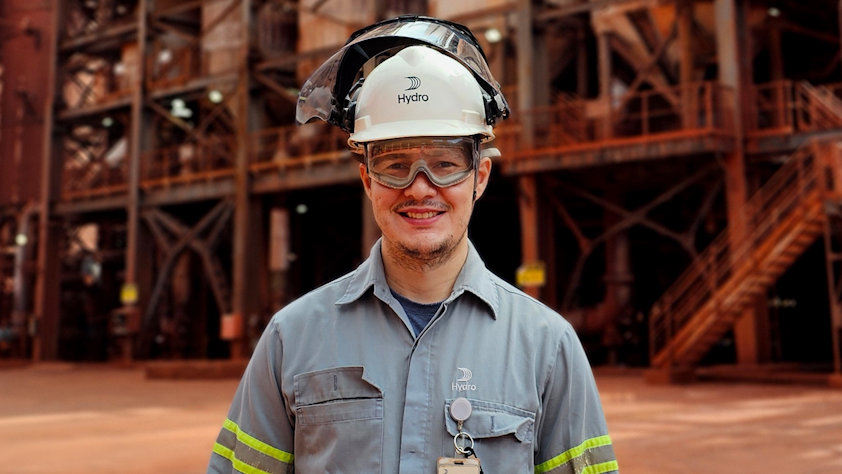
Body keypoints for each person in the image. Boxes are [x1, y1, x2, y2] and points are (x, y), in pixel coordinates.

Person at [208, 15, 617, 474]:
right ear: (367, 179)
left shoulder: (547, 347)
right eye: (394, 164)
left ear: (480, 176)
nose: (420, 188)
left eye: (445, 163)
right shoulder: (291, 339)